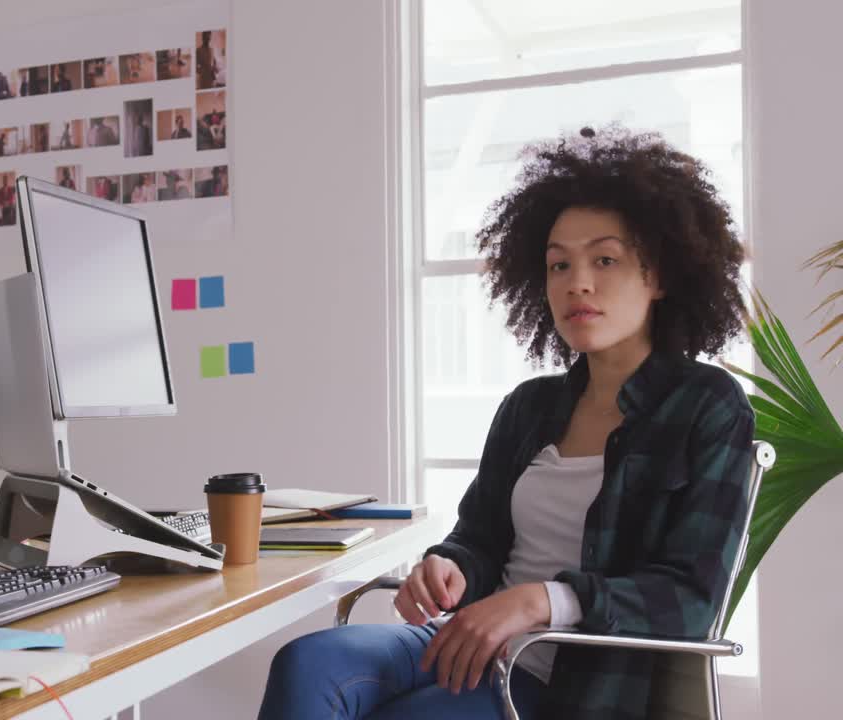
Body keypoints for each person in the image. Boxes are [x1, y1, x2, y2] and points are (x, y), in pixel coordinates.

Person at [257, 125, 753, 720]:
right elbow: (481, 537)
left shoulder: (707, 406)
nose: (578, 283)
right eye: (558, 265)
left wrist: (540, 602)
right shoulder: (530, 406)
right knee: (308, 663)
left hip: (574, 680)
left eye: (605, 259)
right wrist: (450, 567)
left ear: (660, 275)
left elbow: (690, 598)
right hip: (474, 641)